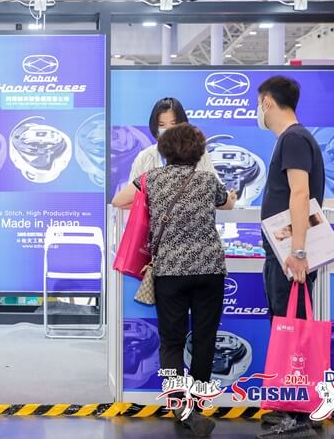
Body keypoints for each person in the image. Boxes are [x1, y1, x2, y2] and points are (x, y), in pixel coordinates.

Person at [114, 123, 237, 437]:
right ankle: (196, 407)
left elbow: (119, 200)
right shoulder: (208, 180)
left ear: (165, 151)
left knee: (171, 341)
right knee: (205, 339)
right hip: (209, 270)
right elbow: (228, 203)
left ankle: (180, 407)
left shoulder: (150, 179)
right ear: (198, 151)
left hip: (170, 272)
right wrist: (232, 196)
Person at [256, 76, 325, 438]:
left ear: (267, 102)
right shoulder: (292, 139)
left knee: (291, 334)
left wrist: (298, 251)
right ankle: (298, 410)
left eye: (258, 103)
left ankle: (294, 416)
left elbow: (300, 194)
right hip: (282, 255)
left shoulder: (294, 139)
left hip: (289, 258)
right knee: (289, 330)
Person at [112, 98, 216, 208]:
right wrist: (155, 207)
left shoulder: (201, 155)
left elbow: (215, 193)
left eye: (173, 124)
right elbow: (128, 199)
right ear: (155, 128)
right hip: (155, 219)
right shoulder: (144, 157)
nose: (168, 129)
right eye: (162, 125)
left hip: (193, 217)